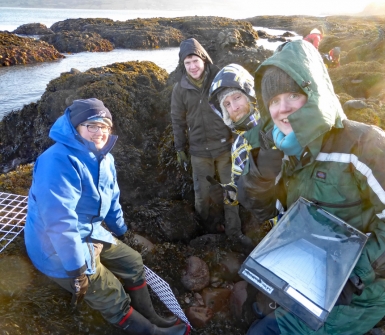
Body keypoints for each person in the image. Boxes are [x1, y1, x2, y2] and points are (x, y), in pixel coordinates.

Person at [237, 40, 385, 334]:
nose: (283, 110)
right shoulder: (278, 148)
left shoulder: (363, 144)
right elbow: (263, 208)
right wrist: (261, 173)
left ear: (316, 92)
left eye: (294, 94)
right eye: (274, 100)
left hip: (360, 290)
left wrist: (354, 276)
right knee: (253, 309)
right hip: (306, 266)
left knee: (261, 332)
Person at [24, 98, 189, 335]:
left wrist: (122, 232)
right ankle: (152, 332)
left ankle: (150, 315)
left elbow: (112, 199)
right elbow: (60, 222)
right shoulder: (57, 161)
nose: (99, 132)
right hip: (56, 247)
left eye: (104, 126)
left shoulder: (104, 157)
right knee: (111, 292)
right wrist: (76, 270)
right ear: (75, 127)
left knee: (133, 262)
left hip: (90, 231)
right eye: (91, 125)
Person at [170, 38, 248, 246]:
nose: (192, 67)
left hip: (225, 149)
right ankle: (205, 230)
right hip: (198, 152)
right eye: (187, 63)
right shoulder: (180, 89)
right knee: (201, 196)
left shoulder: (219, 80)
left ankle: (234, 232)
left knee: (231, 192)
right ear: (183, 65)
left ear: (203, 59)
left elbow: (238, 107)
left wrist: (241, 137)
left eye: (195, 61)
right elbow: (177, 121)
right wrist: (180, 149)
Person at [208, 63, 283, 230]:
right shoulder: (239, 145)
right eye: (226, 104)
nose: (234, 107)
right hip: (278, 224)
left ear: (249, 94)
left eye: (237, 97)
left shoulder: (277, 118)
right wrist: (227, 193)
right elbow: (240, 184)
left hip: (306, 211)